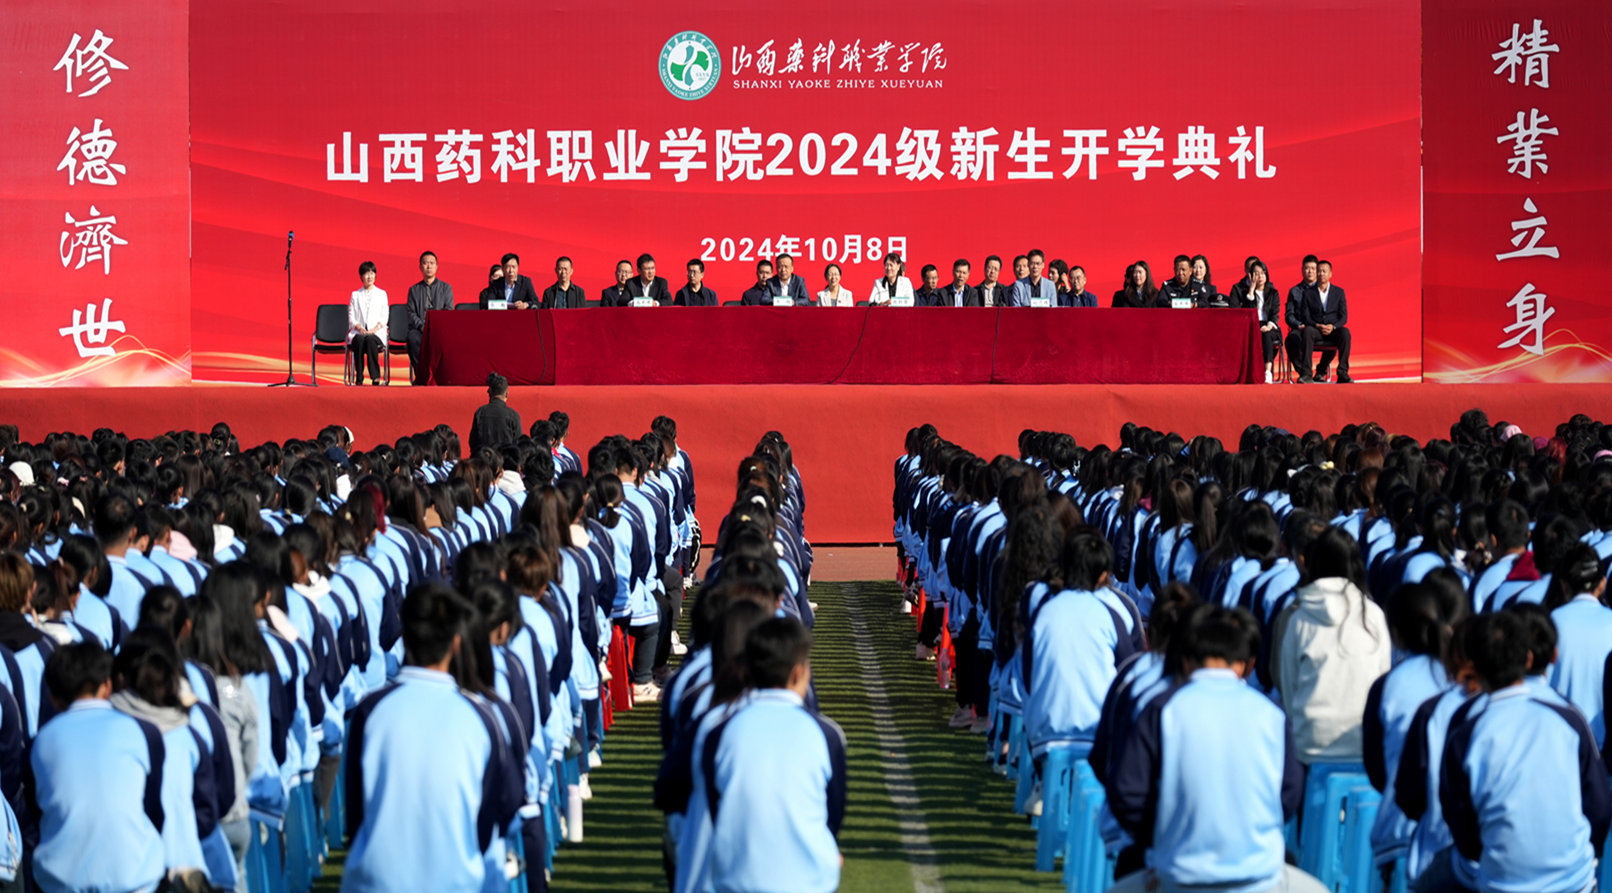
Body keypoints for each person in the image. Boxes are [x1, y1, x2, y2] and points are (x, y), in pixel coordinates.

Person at [1108, 606, 1323, 893]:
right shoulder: (1271, 713)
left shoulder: (1162, 709)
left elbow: (1126, 792)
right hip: (1260, 878)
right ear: (1244, 665)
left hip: (1179, 877)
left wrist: (1163, 838)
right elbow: (1289, 794)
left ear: (1185, 662)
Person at [343, 582, 509, 893]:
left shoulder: (371, 710)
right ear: (457, 643)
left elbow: (356, 813)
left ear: (405, 638)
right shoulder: (481, 717)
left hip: (378, 882)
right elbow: (487, 821)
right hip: (456, 882)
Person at [1441, 610, 1610, 893]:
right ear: (1528, 659)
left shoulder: (1467, 731)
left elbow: (1461, 827)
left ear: (1475, 666)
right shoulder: (1567, 718)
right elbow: (1599, 808)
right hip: (1573, 882)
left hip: (1500, 882)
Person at [704, 617, 845, 893]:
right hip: (810, 881)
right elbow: (833, 813)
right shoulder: (827, 734)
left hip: (735, 880)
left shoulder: (718, 731)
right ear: (798, 673)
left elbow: (715, 806)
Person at [32, 640, 167, 893]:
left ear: (55, 700)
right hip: (136, 878)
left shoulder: (41, 742)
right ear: (107, 686)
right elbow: (155, 807)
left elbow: (38, 809)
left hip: (62, 882)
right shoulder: (143, 731)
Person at [1272, 527, 1392, 763]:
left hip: (1310, 744)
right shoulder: (1373, 615)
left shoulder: (1298, 618)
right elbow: (1382, 677)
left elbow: (1288, 685)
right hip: (1363, 743)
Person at [1293, 260, 1353, 383]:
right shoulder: (1308, 293)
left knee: (1345, 333)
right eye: (1319, 271)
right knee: (1308, 331)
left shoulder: (1339, 292)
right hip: (1316, 329)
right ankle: (1307, 374)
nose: (1321, 274)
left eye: (1324, 271)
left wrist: (1333, 326)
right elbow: (1305, 316)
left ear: (1330, 274)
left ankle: (1342, 373)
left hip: (1333, 330)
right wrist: (1317, 325)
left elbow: (1343, 317)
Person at [1229, 260, 1283, 383]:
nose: (1260, 276)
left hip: (1269, 326)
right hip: (1251, 325)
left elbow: (1275, 314)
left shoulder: (1273, 293)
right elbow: (1249, 313)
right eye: (1256, 274)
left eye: (1262, 273)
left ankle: (1267, 371)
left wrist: (1269, 326)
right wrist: (1251, 291)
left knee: (1267, 335)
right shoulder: (1246, 292)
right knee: (1254, 335)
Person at [405, 251, 454, 380]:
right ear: (420, 267)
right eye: (425, 263)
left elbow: (449, 310)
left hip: (439, 330)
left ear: (437, 266)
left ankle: (441, 376)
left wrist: (436, 326)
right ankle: (421, 375)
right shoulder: (414, 290)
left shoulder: (446, 288)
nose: (429, 266)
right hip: (420, 330)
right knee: (412, 338)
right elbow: (411, 312)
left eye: (432, 263)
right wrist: (422, 326)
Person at [348, 260, 389, 385]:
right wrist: (359, 327)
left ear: (375, 275)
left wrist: (374, 329)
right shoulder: (355, 295)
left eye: (372, 273)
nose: (369, 276)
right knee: (360, 340)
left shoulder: (382, 294)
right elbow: (351, 316)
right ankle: (359, 377)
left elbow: (385, 316)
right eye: (366, 273)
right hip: (359, 332)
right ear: (361, 276)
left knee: (370, 340)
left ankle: (375, 377)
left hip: (376, 332)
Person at [468, 373, 521, 454]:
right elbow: (518, 443)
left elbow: (473, 442)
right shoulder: (513, 415)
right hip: (505, 458)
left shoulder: (480, 412)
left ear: (490, 392)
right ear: (506, 394)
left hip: (484, 458)